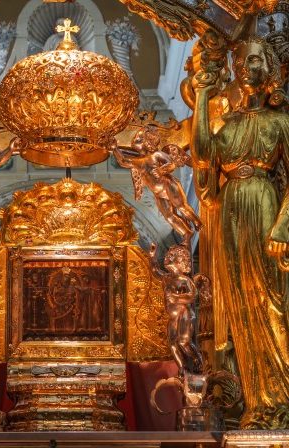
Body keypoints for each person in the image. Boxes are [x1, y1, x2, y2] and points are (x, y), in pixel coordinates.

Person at [191, 36, 289, 428]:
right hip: (231, 210)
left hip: (264, 205)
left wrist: (283, 227)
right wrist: (202, 95)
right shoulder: (227, 125)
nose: (247, 68)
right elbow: (202, 155)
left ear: (269, 68)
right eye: (242, 62)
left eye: (255, 60)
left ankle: (280, 402)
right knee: (241, 305)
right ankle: (256, 405)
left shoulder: (280, 122)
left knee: (270, 302)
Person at [114, 127, 201, 245]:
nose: (134, 140)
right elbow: (123, 162)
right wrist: (115, 149)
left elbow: (171, 164)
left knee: (181, 207)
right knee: (169, 216)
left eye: (138, 139)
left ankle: (196, 221)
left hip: (168, 185)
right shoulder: (138, 162)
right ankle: (187, 233)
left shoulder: (156, 155)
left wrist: (161, 170)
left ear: (148, 142)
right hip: (158, 194)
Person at [149, 243, 202, 377]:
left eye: (172, 256)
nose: (168, 258)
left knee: (184, 342)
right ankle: (182, 369)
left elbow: (192, 295)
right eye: (168, 255)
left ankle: (198, 362)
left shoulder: (184, 280)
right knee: (172, 344)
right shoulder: (167, 278)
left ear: (180, 261)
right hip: (172, 317)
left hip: (184, 314)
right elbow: (155, 271)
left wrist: (176, 297)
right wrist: (152, 257)